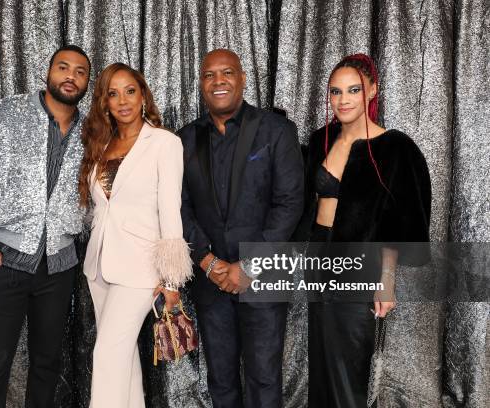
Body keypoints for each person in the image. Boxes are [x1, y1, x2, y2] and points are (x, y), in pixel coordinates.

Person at [0, 45, 91, 407]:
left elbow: (94, 198)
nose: (71, 76)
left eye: (80, 71)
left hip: (59, 266)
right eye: (63, 67)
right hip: (4, 261)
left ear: (87, 82)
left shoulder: (92, 132)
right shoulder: (7, 114)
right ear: (48, 72)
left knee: (47, 363)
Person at [295, 53, 432, 407]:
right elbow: (306, 205)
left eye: (353, 89)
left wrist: (386, 281)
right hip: (318, 262)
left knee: (348, 370)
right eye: (335, 92)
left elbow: (397, 224)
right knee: (322, 367)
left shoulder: (395, 148)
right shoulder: (321, 139)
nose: (343, 100)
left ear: (372, 90)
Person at [178, 49, 304, 408]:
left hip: (262, 277)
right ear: (201, 84)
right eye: (209, 75)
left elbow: (290, 203)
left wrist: (248, 265)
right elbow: (179, 206)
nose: (219, 81)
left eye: (227, 72)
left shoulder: (275, 130)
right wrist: (208, 262)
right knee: (220, 379)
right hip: (211, 280)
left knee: (264, 378)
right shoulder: (185, 139)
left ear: (243, 78)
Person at [80, 62, 193, 408]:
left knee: (107, 354)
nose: (123, 100)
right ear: (105, 103)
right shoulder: (102, 144)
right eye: (113, 94)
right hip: (99, 266)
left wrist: (171, 282)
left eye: (130, 91)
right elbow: (102, 209)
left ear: (142, 94)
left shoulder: (164, 143)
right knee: (122, 358)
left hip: (140, 268)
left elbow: (169, 212)